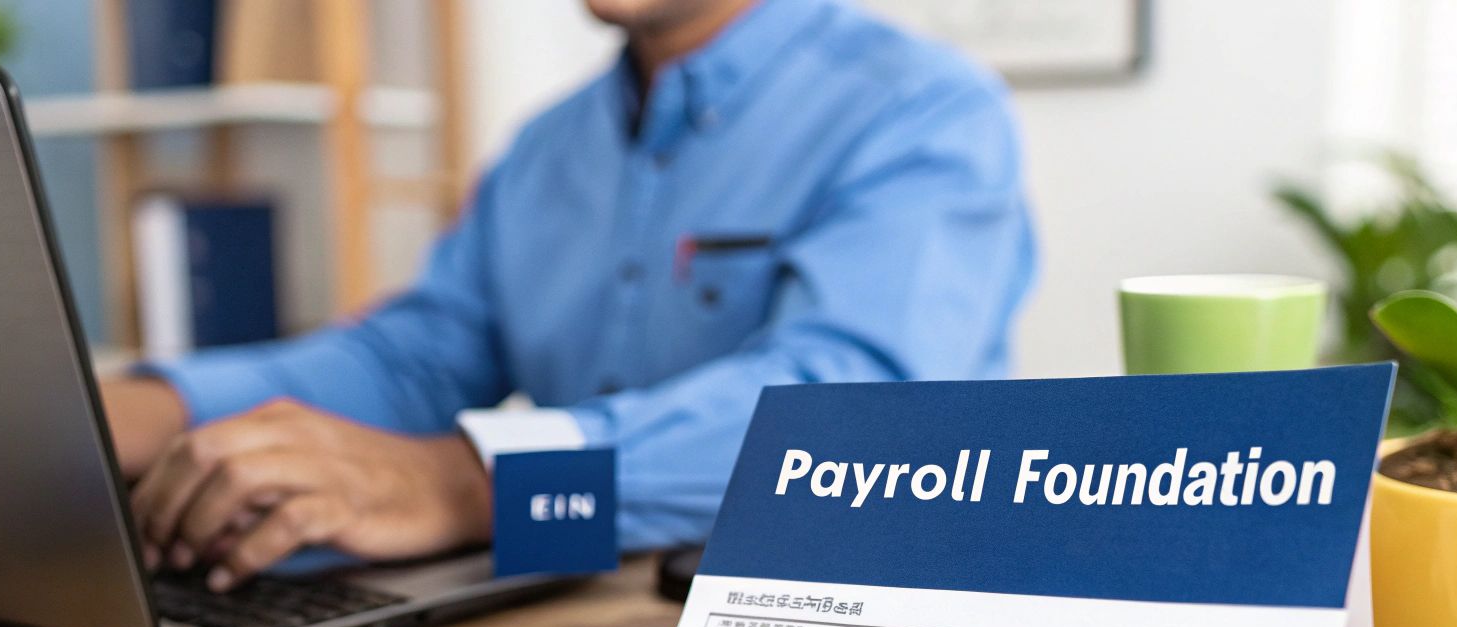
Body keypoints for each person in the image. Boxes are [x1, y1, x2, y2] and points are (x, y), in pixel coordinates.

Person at [104, 0, 1035, 591]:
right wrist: (132, 411)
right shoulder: (544, 151)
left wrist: (473, 482)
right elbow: (417, 356)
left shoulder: (923, 109)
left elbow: (852, 419)